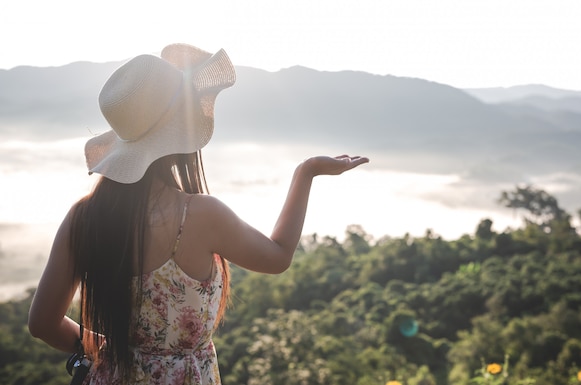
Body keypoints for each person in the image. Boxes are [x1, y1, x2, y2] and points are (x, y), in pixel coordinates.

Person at [27, 43, 369, 384]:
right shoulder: (199, 215)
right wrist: (306, 173)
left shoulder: (83, 218)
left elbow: (42, 323)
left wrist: (108, 349)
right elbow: (277, 256)